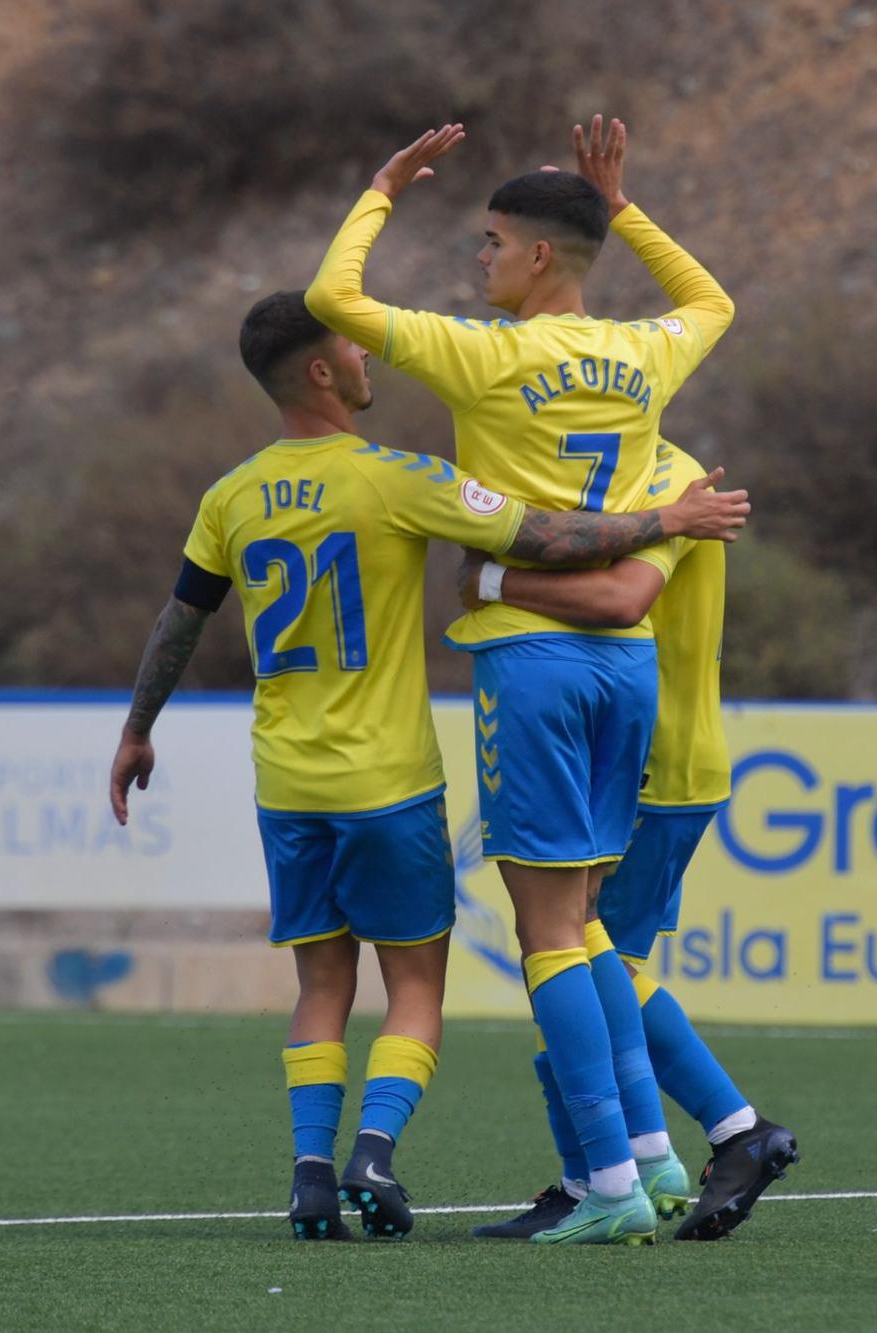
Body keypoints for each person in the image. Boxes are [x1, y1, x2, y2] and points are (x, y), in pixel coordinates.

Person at [105, 292, 748, 1245]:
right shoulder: (398, 478)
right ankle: (376, 1149)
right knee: (415, 990)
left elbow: (181, 620)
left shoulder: (229, 497)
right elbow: (547, 538)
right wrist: (670, 516)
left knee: (320, 986)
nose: (373, 363)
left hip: (286, 784)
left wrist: (136, 730)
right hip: (389, 782)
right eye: (356, 351)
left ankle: (311, 1176)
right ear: (321, 371)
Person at [305, 116, 733, 1244]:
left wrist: (382, 185)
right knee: (584, 923)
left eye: (490, 242)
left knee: (545, 930)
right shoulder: (646, 350)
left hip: (531, 663)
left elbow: (334, 301)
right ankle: (644, 1155)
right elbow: (714, 301)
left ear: (538, 256)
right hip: (624, 672)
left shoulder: (485, 354)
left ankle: (601, 1183)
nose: (477, 261)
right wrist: (621, 203)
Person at [458, 439, 800, 1242]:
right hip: (663, 750)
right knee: (595, 961)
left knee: (578, 954)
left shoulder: (662, 476)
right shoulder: (630, 471)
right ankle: (626, 1170)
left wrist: (491, 581)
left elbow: (621, 597)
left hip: (650, 760)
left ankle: (722, 1131)